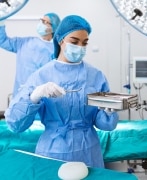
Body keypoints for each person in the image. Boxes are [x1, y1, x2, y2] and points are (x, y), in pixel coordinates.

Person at [4, 15, 119, 168]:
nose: (80, 47)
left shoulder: (96, 75)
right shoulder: (42, 75)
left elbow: (104, 124)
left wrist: (109, 113)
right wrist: (34, 96)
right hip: (53, 152)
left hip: (89, 152)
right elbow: (15, 124)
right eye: (74, 41)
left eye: (84, 43)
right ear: (60, 40)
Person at [0, 12, 60, 97]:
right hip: (20, 95)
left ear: (53, 28)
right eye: (41, 20)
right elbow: (2, 41)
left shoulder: (56, 50)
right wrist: (1, 21)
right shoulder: (24, 43)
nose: (41, 23)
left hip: (42, 97)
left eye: (45, 22)